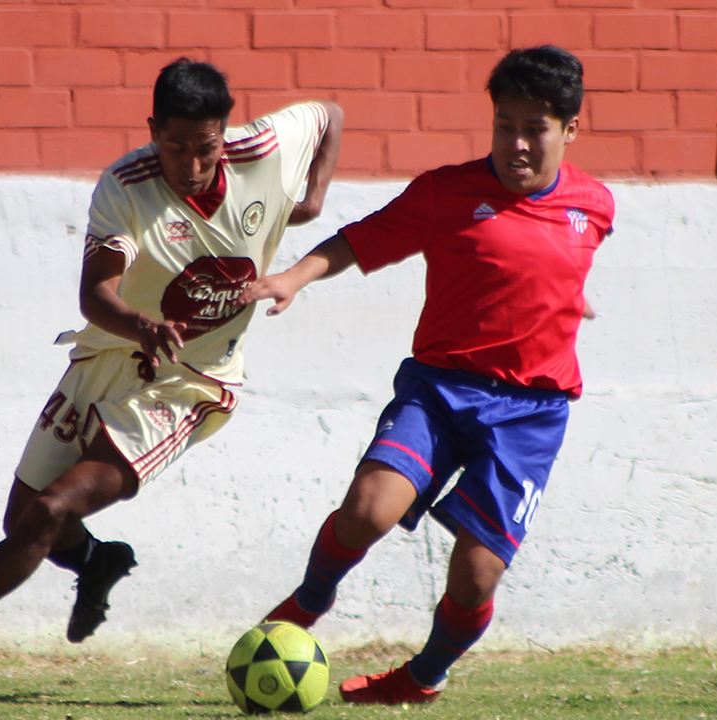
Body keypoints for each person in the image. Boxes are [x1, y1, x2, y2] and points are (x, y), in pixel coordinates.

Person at [0, 58, 344, 667]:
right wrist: (141, 326)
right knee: (23, 519)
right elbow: (94, 294)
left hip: (188, 385)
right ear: (152, 131)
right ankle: (98, 560)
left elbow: (329, 116)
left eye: (206, 149)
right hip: (109, 355)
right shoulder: (126, 185)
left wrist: (313, 199)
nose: (192, 166)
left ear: (226, 132)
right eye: (176, 148)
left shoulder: (264, 149)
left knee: (51, 510)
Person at [239, 46, 615, 705]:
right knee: (367, 510)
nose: (517, 143)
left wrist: (564, 298)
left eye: (535, 129)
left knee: (476, 575)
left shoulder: (596, 205)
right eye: (505, 126)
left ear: (571, 129)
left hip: (530, 413)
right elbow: (361, 237)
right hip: (440, 390)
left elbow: (551, 263)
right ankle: (310, 599)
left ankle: (422, 677)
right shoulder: (446, 193)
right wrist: (294, 277)